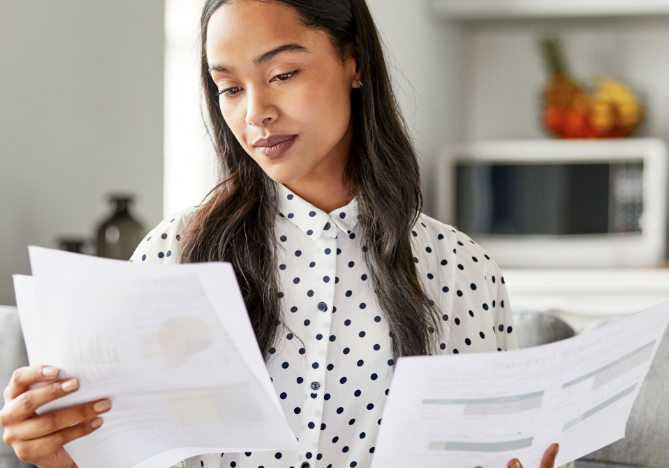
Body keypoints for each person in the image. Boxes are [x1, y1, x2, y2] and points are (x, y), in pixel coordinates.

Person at [0, 1, 561, 467]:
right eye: (230, 88)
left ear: (354, 63)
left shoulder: (461, 269)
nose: (255, 113)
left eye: (283, 74)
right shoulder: (172, 256)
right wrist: (62, 455)